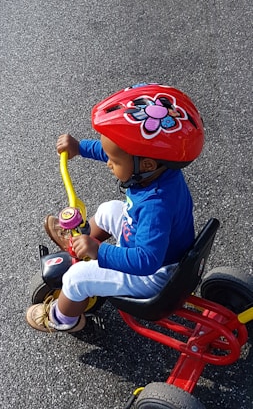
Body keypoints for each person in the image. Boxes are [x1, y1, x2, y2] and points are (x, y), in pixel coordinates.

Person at [26, 83, 204, 333]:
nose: (109, 163)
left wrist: (100, 252)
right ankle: (78, 246)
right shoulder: (158, 173)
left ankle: (63, 319)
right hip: (161, 251)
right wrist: (80, 148)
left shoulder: (156, 206)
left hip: (154, 275)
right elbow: (117, 151)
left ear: (148, 164)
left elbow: (146, 261)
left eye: (114, 161)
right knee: (110, 209)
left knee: (78, 279)